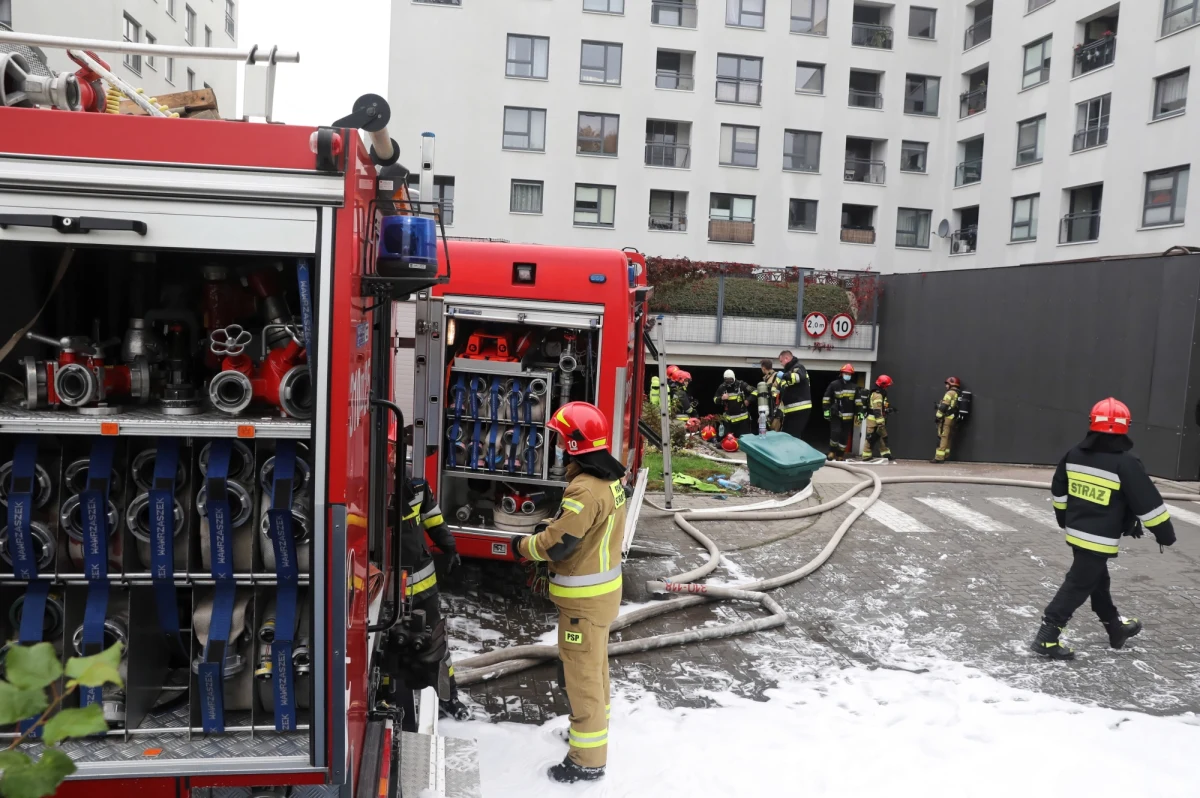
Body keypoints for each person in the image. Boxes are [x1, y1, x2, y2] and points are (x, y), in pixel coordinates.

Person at [514, 402, 627, 783]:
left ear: (575, 444)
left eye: (563, 438)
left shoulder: (585, 487)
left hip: (582, 602)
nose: (560, 444)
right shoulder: (611, 478)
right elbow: (583, 528)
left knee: (581, 677)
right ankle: (591, 731)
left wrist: (523, 547)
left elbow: (559, 546)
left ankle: (587, 760)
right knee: (596, 668)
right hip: (602, 596)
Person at [1031, 398, 1176, 660]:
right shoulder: (1126, 463)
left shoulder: (1073, 454)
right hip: (1099, 539)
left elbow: (1059, 492)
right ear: (1125, 426)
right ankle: (1047, 637)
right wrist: (1165, 534)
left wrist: (1064, 520)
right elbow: (1148, 504)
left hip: (1076, 532)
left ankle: (1115, 627)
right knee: (1078, 583)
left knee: (1097, 581)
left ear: (1092, 423)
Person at [395, 476, 471, 720]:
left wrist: (450, 547)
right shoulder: (362, 493)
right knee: (388, 651)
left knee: (436, 647)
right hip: (382, 592)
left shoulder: (417, 488)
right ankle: (392, 697)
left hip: (422, 587)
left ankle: (448, 699)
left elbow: (434, 521)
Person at [822, 364, 861, 460]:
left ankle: (840, 455)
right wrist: (826, 411)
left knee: (844, 436)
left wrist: (860, 413)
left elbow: (858, 402)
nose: (848, 375)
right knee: (835, 432)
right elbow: (826, 398)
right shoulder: (834, 384)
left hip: (848, 417)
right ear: (842, 373)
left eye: (849, 373)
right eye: (846, 373)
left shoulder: (855, 387)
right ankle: (832, 452)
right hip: (836, 414)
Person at [775, 350, 812, 440]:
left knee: (793, 435)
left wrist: (784, 375)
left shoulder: (798, 367)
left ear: (787, 358)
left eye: (781, 361)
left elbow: (798, 377)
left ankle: (795, 453)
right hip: (790, 410)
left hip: (800, 408)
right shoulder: (789, 371)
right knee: (786, 434)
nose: (781, 364)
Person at [862, 374, 894, 461]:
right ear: (883, 384)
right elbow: (876, 410)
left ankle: (886, 454)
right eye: (887, 385)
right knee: (871, 438)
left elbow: (882, 405)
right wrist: (880, 423)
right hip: (874, 421)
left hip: (878, 419)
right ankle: (866, 455)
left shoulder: (881, 393)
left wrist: (888, 408)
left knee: (882, 437)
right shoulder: (877, 394)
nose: (887, 387)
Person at [713, 369, 753, 437]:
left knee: (743, 441)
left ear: (734, 378)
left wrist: (748, 400)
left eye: (730, 380)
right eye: (726, 380)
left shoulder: (742, 385)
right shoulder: (722, 387)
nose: (728, 382)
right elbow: (714, 399)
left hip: (742, 421)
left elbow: (755, 391)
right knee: (727, 441)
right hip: (729, 421)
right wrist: (721, 398)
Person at [933, 376, 962, 463]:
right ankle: (945, 455)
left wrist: (938, 416)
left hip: (946, 419)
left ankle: (939, 457)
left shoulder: (949, 393)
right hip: (953, 418)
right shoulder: (957, 393)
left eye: (947, 384)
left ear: (951, 384)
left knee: (943, 436)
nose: (946, 386)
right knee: (948, 437)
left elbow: (944, 406)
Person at [750, 358, 781, 432]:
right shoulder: (766, 379)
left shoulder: (776, 376)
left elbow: (777, 392)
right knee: (765, 430)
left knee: (774, 432)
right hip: (767, 409)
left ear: (763, 368)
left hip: (775, 409)